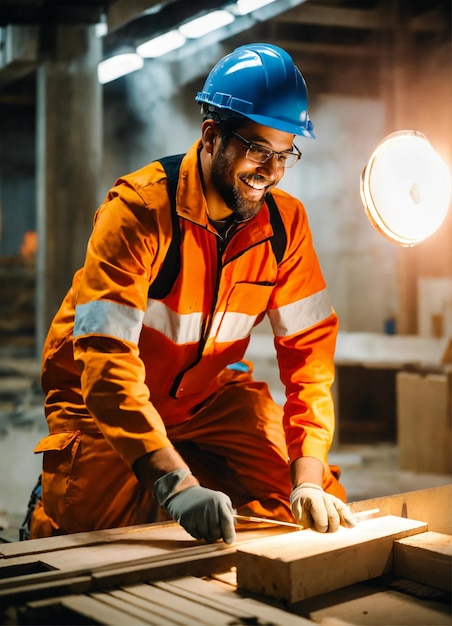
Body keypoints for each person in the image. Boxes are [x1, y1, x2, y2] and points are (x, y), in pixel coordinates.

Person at [30, 43, 355, 544]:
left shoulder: (286, 226)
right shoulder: (138, 212)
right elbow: (105, 359)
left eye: (284, 152)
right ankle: (51, 516)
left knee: (311, 505)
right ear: (210, 136)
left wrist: (308, 477)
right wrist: (175, 484)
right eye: (256, 149)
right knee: (94, 542)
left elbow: (309, 357)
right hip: (101, 401)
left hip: (205, 398)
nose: (270, 171)